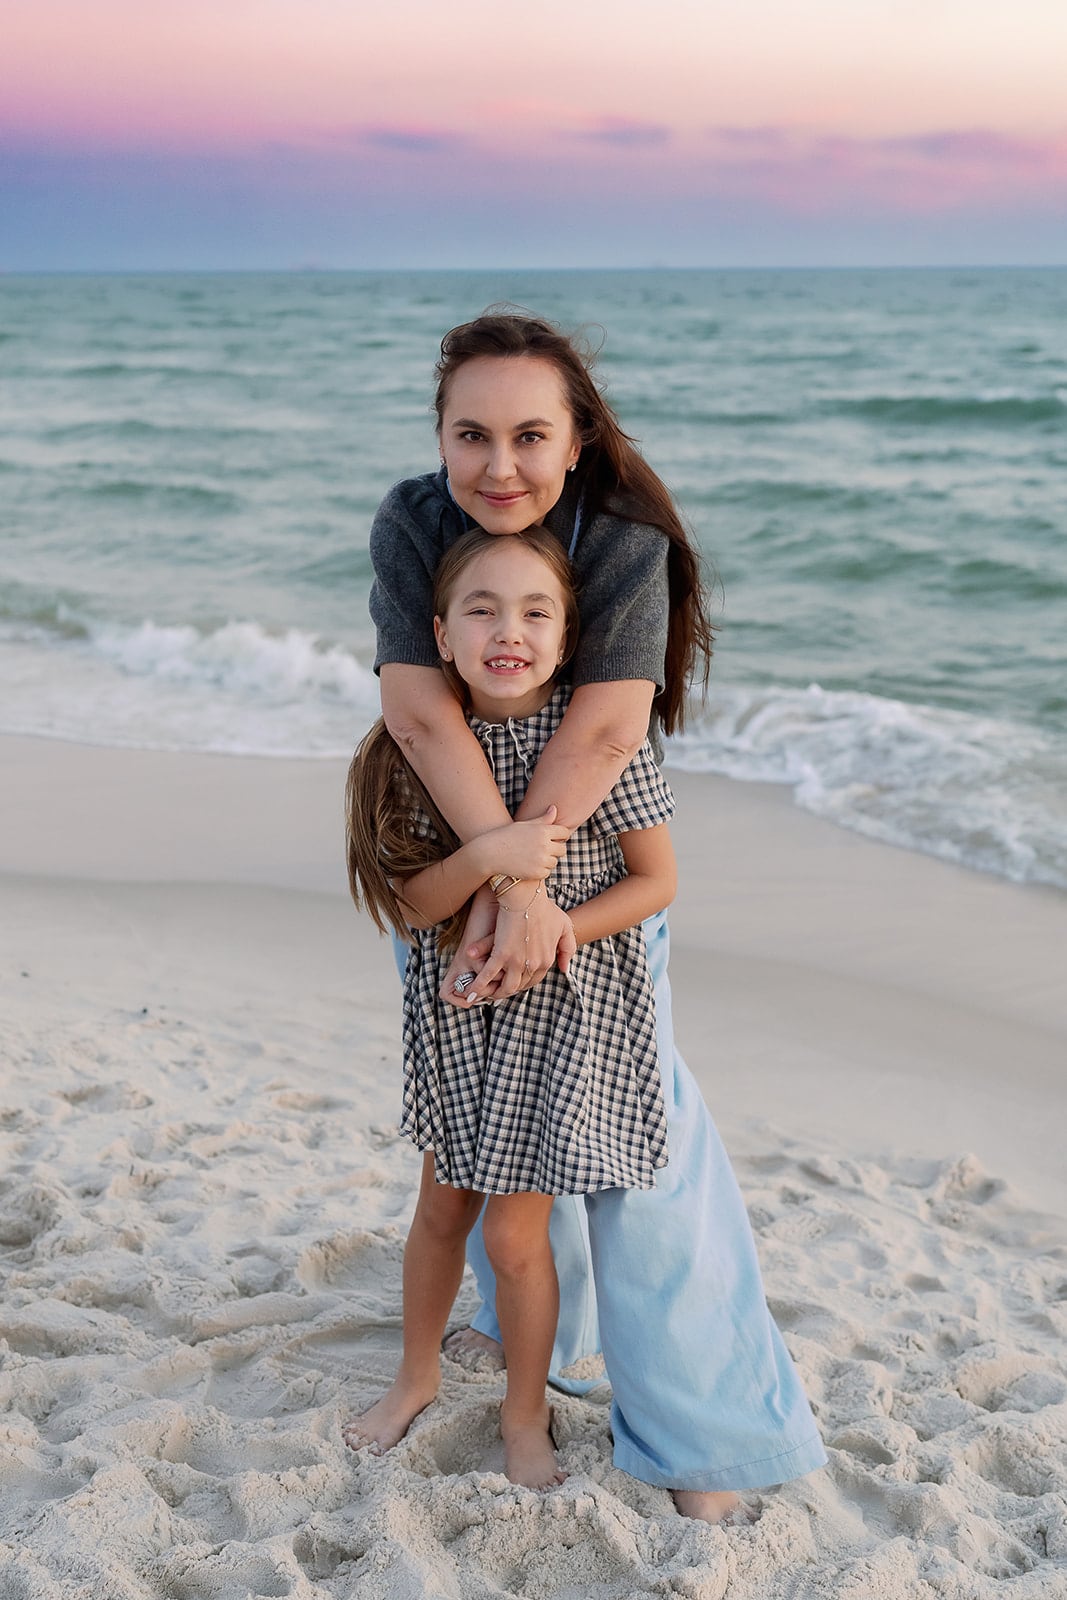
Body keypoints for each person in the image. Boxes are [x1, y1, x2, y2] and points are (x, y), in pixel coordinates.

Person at [360, 311, 827, 1521]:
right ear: (439, 435)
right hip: (476, 889)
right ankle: (540, 1353)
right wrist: (501, 882)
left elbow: (611, 728)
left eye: (528, 434)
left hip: (592, 909)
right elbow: (417, 713)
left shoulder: (615, 540)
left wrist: (536, 894)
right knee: (491, 1172)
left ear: (575, 441)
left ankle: (701, 1433)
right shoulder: (415, 523)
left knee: (642, 1165)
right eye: (472, 434)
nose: (498, 464)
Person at [343, 526, 678, 1491]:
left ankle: (524, 1414)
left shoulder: (600, 745)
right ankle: (415, 1377)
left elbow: (654, 881)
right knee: (441, 1208)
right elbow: (414, 904)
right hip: (460, 1015)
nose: (509, 631)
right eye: (481, 610)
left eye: (535, 612)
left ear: (569, 639)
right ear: (438, 635)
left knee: (513, 1234)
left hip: (564, 1020)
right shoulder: (419, 745)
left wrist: (559, 925)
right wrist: (487, 858)